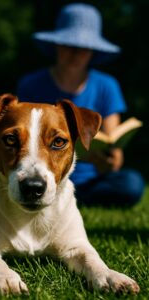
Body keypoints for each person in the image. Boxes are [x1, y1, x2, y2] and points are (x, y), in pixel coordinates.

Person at [16, 3, 145, 207]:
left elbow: (113, 146)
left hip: (91, 181)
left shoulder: (107, 86)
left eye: (83, 48)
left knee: (131, 183)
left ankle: (71, 200)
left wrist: (110, 160)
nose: (75, 53)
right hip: (42, 174)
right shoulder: (31, 84)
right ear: (57, 45)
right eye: (69, 45)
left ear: (93, 51)